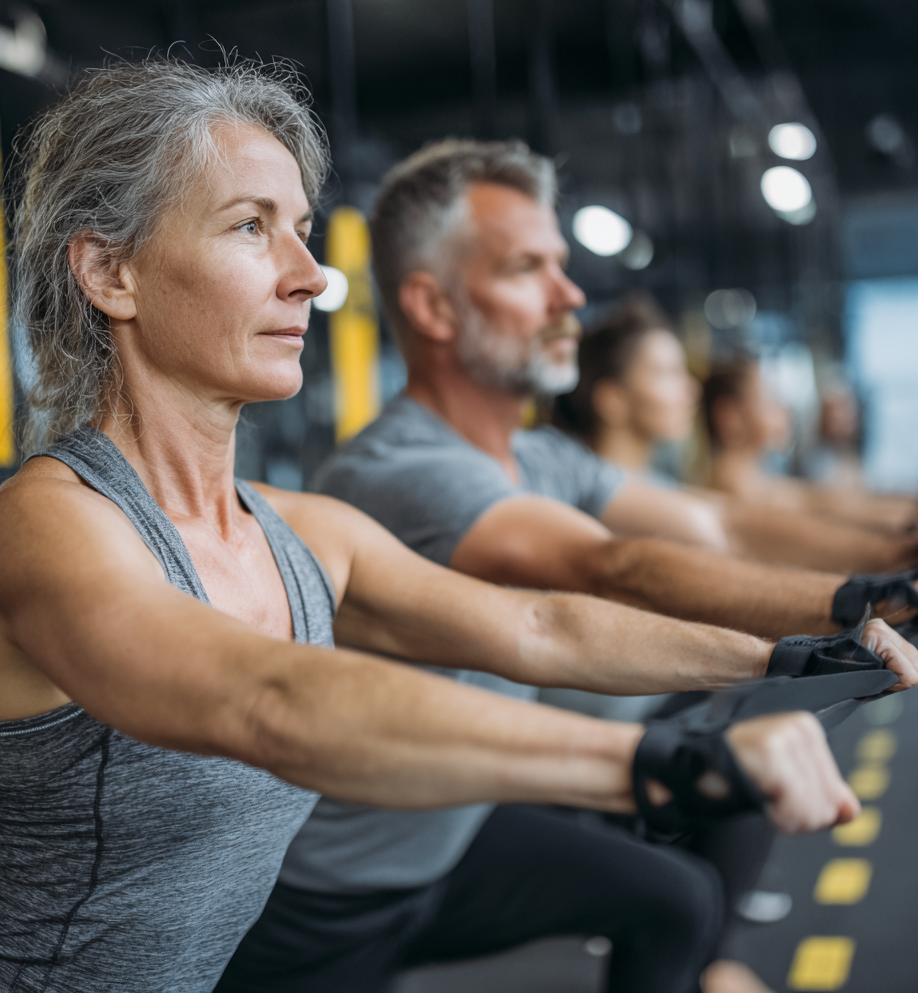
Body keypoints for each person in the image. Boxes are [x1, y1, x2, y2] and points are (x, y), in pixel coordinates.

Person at [0, 60, 878, 993]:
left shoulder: (307, 534)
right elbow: (267, 702)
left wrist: (804, 645)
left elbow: (543, 626)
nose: (310, 274)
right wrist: (663, 766)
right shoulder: (47, 525)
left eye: (303, 229)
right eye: (249, 227)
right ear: (112, 275)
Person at [219, 138, 917, 993]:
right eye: (527, 269)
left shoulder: (544, 456)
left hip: (458, 837)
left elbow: (717, 522)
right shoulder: (398, 469)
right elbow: (599, 573)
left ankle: (716, 968)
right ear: (433, 307)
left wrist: (894, 566)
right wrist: (857, 600)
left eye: (561, 265)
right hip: (328, 897)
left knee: (676, 900)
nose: (570, 295)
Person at [552, 294, 910, 572]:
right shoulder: (595, 500)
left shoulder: (660, 484)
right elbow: (734, 526)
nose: (691, 390)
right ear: (611, 399)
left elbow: (808, 503)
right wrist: (891, 552)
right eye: (665, 373)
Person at [704, 359, 917, 536]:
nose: (783, 409)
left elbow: (820, 500)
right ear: (729, 417)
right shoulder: (734, 489)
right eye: (769, 400)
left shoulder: (754, 481)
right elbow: (821, 508)